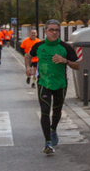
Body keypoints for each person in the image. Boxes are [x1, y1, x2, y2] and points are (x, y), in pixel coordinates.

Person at [28, 19, 80, 154]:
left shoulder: (65, 47)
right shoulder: (38, 46)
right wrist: (28, 67)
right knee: (45, 111)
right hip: (43, 83)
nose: (54, 32)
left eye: (57, 30)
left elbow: (78, 66)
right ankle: (48, 142)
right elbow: (28, 56)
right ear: (45, 32)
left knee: (57, 111)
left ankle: (53, 130)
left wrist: (65, 61)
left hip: (60, 84)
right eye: (51, 30)